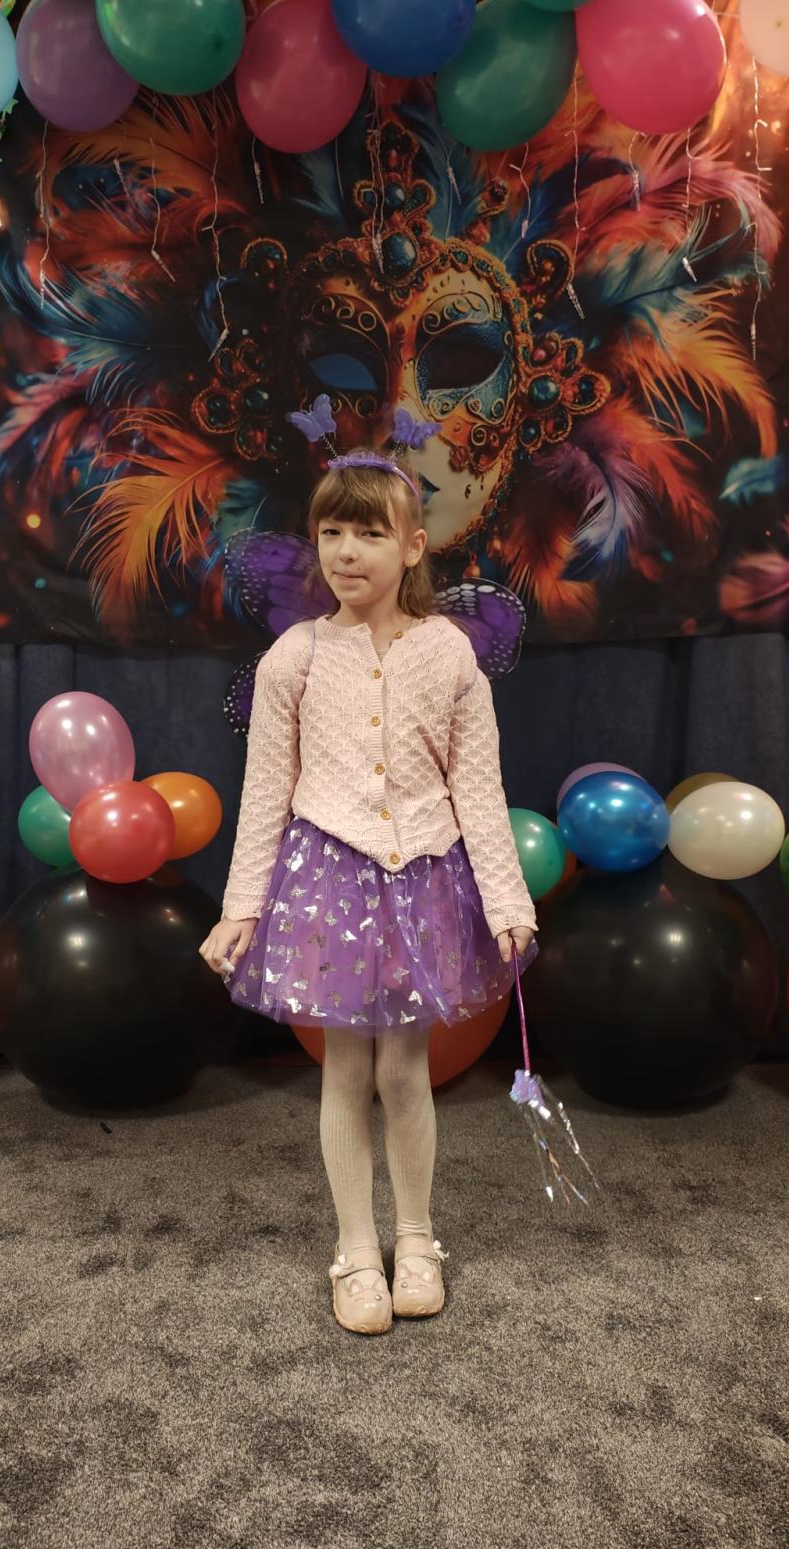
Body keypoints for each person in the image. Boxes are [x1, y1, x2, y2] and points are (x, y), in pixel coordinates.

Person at [199, 448, 538, 1336]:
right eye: (332, 532)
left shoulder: (449, 654)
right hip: (329, 880)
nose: (347, 551)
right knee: (346, 1067)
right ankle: (356, 1250)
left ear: (413, 546)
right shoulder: (295, 657)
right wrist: (240, 908)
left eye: (370, 533)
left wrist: (507, 903)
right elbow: (266, 790)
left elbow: (478, 789)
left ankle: (417, 1239)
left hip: (424, 874)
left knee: (404, 1067)